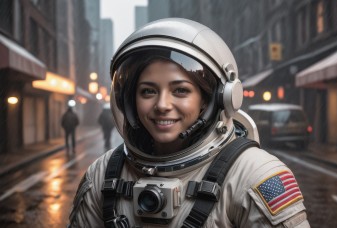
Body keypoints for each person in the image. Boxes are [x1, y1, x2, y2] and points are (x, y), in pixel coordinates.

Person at [68, 18, 309, 228]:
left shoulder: (255, 176)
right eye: (148, 91)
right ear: (129, 102)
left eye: (180, 90)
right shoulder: (103, 174)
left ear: (213, 99)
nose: (162, 104)